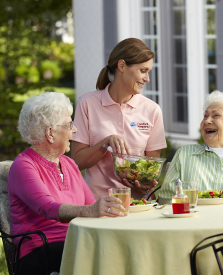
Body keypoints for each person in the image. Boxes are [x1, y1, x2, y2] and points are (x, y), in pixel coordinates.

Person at [8, 92, 125, 275]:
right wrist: (91, 210)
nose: (75, 130)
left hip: (76, 242)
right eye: (69, 124)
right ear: (50, 133)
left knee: (119, 250)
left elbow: (89, 205)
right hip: (40, 252)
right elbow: (47, 207)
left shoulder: (69, 163)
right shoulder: (24, 165)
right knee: (100, 257)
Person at [72, 38, 167, 201]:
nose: (147, 78)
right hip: (98, 204)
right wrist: (105, 143)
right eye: (143, 71)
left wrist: (144, 183)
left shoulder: (152, 110)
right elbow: (77, 162)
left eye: (148, 71)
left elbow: (152, 170)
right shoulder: (87, 104)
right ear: (122, 66)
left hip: (138, 205)